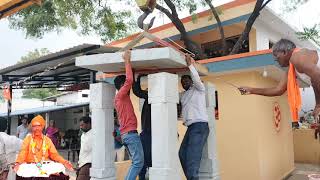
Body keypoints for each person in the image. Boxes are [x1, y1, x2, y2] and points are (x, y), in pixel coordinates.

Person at [239, 39, 320, 121]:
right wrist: (251, 90)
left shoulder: (298, 57)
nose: (276, 60)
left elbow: (318, 77)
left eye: (276, 56)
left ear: (284, 52)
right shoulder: (292, 67)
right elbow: (278, 90)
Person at [114, 50, 144, 180]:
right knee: (138, 163)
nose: (130, 87)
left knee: (135, 163)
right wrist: (127, 60)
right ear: (122, 85)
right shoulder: (121, 95)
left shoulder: (120, 98)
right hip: (130, 135)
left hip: (127, 135)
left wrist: (133, 69)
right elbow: (129, 79)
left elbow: (131, 79)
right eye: (127, 85)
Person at [179, 54, 210, 180]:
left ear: (191, 81)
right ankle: (191, 178)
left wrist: (190, 65)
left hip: (199, 126)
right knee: (182, 154)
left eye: (186, 80)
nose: (184, 82)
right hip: (191, 128)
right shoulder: (183, 95)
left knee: (192, 159)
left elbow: (197, 79)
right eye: (182, 81)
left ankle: (192, 177)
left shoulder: (199, 89)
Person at [14, 115, 73, 179]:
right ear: (32, 128)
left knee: (60, 166)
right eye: (34, 126)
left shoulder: (47, 140)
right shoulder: (27, 139)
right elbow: (23, 152)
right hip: (30, 166)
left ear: (42, 127)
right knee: (22, 169)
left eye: (39, 126)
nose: (36, 128)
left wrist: (64, 162)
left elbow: (54, 155)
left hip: (45, 165)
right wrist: (18, 163)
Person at [132, 74, 152, 180]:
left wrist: (138, 78)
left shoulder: (151, 96)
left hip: (152, 133)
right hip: (147, 133)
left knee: (146, 159)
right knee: (144, 160)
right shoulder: (149, 96)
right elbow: (137, 91)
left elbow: (137, 91)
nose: (148, 90)